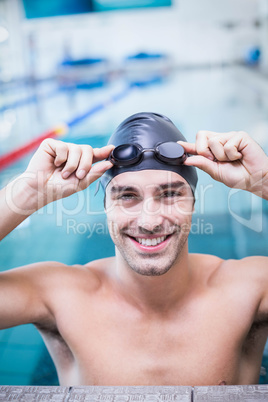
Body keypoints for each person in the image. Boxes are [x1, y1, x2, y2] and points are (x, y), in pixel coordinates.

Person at [0, 112, 268, 387]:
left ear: (193, 203)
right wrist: (29, 190)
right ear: (106, 207)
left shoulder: (248, 289)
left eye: (171, 194)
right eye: (128, 196)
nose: (149, 221)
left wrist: (265, 180)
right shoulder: (61, 298)